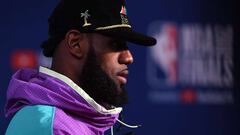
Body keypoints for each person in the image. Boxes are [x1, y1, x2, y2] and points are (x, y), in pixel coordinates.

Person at [4, 0, 156, 134]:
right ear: (75, 43)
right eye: (115, 44)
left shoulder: (82, 119)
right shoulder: (47, 126)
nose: (129, 57)